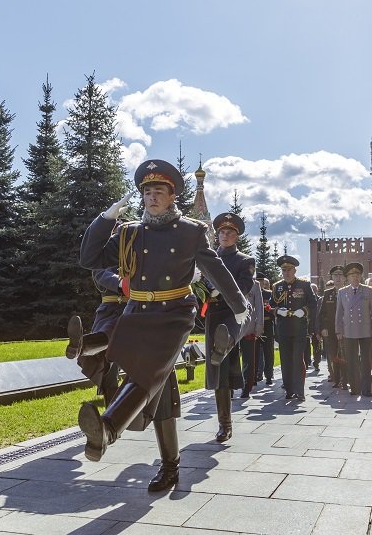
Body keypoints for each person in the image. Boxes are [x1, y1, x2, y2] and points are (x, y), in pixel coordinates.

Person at [78, 160, 249, 491]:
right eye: (146, 191)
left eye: (158, 191)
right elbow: (89, 259)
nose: (151, 197)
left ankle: (109, 429)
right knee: (160, 389)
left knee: (147, 373)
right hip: (138, 312)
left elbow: (215, 270)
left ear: (173, 197)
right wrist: (105, 219)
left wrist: (239, 306)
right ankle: (170, 468)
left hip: (174, 314)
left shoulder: (190, 231)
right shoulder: (129, 232)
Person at [204, 212, 256, 439]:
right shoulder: (207, 257)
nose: (225, 235)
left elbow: (244, 288)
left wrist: (219, 289)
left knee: (222, 369)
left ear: (236, 237)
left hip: (231, 316)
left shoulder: (244, 261)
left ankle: (225, 425)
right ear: (217, 235)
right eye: (222, 232)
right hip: (212, 317)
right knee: (219, 372)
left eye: (230, 232)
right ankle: (224, 423)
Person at [65, 266, 127, 406]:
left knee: (113, 331)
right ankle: (110, 420)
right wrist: (121, 283)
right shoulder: (107, 255)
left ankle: (81, 346)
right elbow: (100, 273)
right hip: (108, 312)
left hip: (131, 311)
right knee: (106, 369)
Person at [272, 255, 318, 400]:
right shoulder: (277, 286)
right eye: (283, 270)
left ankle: (299, 390)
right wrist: (277, 311)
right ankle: (289, 390)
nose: (286, 273)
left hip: (299, 328)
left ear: (295, 270)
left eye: (289, 269)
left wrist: (303, 311)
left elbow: (313, 303)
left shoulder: (304, 285)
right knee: (285, 360)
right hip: (283, 328)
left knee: (298, 359)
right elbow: (270, 305)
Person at [335, 262, 372, 397]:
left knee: (366, 360)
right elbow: (339, 313)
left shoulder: (368, 290)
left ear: (361, 276)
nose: (355, 277)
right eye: (352, 275)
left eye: (357, 275)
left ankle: (366, 389)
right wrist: (338, 330)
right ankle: (355, 388)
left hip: (365, 330)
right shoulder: (342, 292)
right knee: (351, 360)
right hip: (349, 331)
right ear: (347, 278)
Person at [318, 265, 346, 388]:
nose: (338, 278)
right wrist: (323, 328)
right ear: (332, 278)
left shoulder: (350, 292)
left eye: (340, 275)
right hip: (331, 330)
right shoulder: (327, 293)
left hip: (347, 329)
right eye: (335, 275)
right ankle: (337, 378)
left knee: (347, 354)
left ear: (345, 277)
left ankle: (346, 378)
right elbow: (322, 313)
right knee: (333, 354)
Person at [239, 277, 265, 398]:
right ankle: (231, 386)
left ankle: (246, 387)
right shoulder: (229, 278)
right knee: (231, 359)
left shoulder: (255, 284)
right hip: (231, 326)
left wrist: (259, 325)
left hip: (248, 327)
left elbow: (259, 306)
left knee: (248, 359)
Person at [257, 275, 276, 385]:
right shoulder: (250, 292)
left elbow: (273, 308)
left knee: (268, 351)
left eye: (261, 281)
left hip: (267, 324)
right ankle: (255, 375)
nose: (259, 283)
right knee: (254, 352)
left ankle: (269, 375)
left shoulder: (269, 294)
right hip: (255, 326)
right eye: (258, 280)